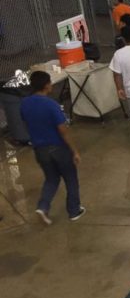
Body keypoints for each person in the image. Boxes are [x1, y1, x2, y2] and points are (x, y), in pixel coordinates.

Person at [20, 71, 85, 225]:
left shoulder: (25, 103)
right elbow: (63, 131)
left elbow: (26, 122)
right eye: (50, 83)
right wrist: (74, 150)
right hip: (58, 148)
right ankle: (74, 211)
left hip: (39, 149)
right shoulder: (51, 105)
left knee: (51, 178)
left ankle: (43, 206)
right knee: (70, 178)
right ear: (46, 85)